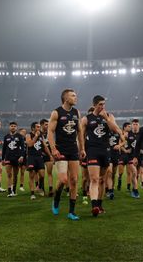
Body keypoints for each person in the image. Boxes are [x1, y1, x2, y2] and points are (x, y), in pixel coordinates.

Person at [81, 95, 123, 217]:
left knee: (102, 180)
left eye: (104, 104)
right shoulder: (86, 119)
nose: (102, 107)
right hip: (92, 150)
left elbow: (116, 130)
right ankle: (94, 206)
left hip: (105, 151)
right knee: (94, 179)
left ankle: (99, 204)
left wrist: (106, 118)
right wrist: (82, 149)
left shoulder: (109, 117)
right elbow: (81, 136)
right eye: (100, 104)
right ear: (94, 105)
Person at [48, 89, 85, 221]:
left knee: (74, 181)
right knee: (63, 180)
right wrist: (53, 149)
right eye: (73, 96)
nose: (76, 98)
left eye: (76, 95)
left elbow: (80, 132)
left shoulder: (76, 112)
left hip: (73, 150)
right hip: (60, 150)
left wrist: (82, 148)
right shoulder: (56, 112)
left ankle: (71, 211)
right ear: (65, 98)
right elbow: (50, 131)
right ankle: (56, 200)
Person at [26, 122, 51, 200]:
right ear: (33, 128)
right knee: (32, 175)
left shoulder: (41, 136)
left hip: (39, 157)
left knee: (42, 175)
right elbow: (30, 144)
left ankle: (40, 187)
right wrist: (36, 136)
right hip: (31, 157)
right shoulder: (28, 135)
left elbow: (45, 146)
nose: (39, 128)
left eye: (39, 127)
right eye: (37, 127)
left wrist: (50, 155)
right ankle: (32, 193)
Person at [2, 122, 25, 197]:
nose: (13, 127)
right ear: (9, 127)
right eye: (12, 126)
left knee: (15, 175)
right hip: (8, 157)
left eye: (14, 126)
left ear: (16, 128)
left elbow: (23, 147)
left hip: (17, 157)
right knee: (9, 174)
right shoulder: (6, 137)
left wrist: (22, 156)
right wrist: (2, 159)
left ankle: (14, 190)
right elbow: (4, 148)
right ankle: (10, 190)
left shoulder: (20, 136)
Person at [125, 121, 141, 198]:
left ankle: (134, 188)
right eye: (133, 124)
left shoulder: (141, 134)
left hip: (140, 157)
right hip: (130, 157)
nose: (135, 126)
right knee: (134, 172)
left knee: (137, 174)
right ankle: (135, 190)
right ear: (131, 125)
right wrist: (126, 149)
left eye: (136, 124)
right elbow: (124, 143)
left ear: (139, 125)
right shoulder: (128, 134)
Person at [40, 119, 54, 197]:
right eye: (46, 124)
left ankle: (51, 189)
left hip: (49, 155)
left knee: (49, 173)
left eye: (48, 124)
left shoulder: (50, 133)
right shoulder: (38, 133)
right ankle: (42, 189)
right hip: (40, 156)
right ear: (41, 125)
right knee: (41, 175)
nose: (47, 126)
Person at [18, 128, 28, 192]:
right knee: (15, 172)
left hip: (24, 157)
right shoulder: (17, 139)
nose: (24, 133)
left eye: (25, 132)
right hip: (17, 157)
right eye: (23, 132)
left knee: (22, 172)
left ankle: (21, 186)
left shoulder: (26, 139)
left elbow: (28, 148)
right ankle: (12, 185)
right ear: (19, 132)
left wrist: (27, 154)